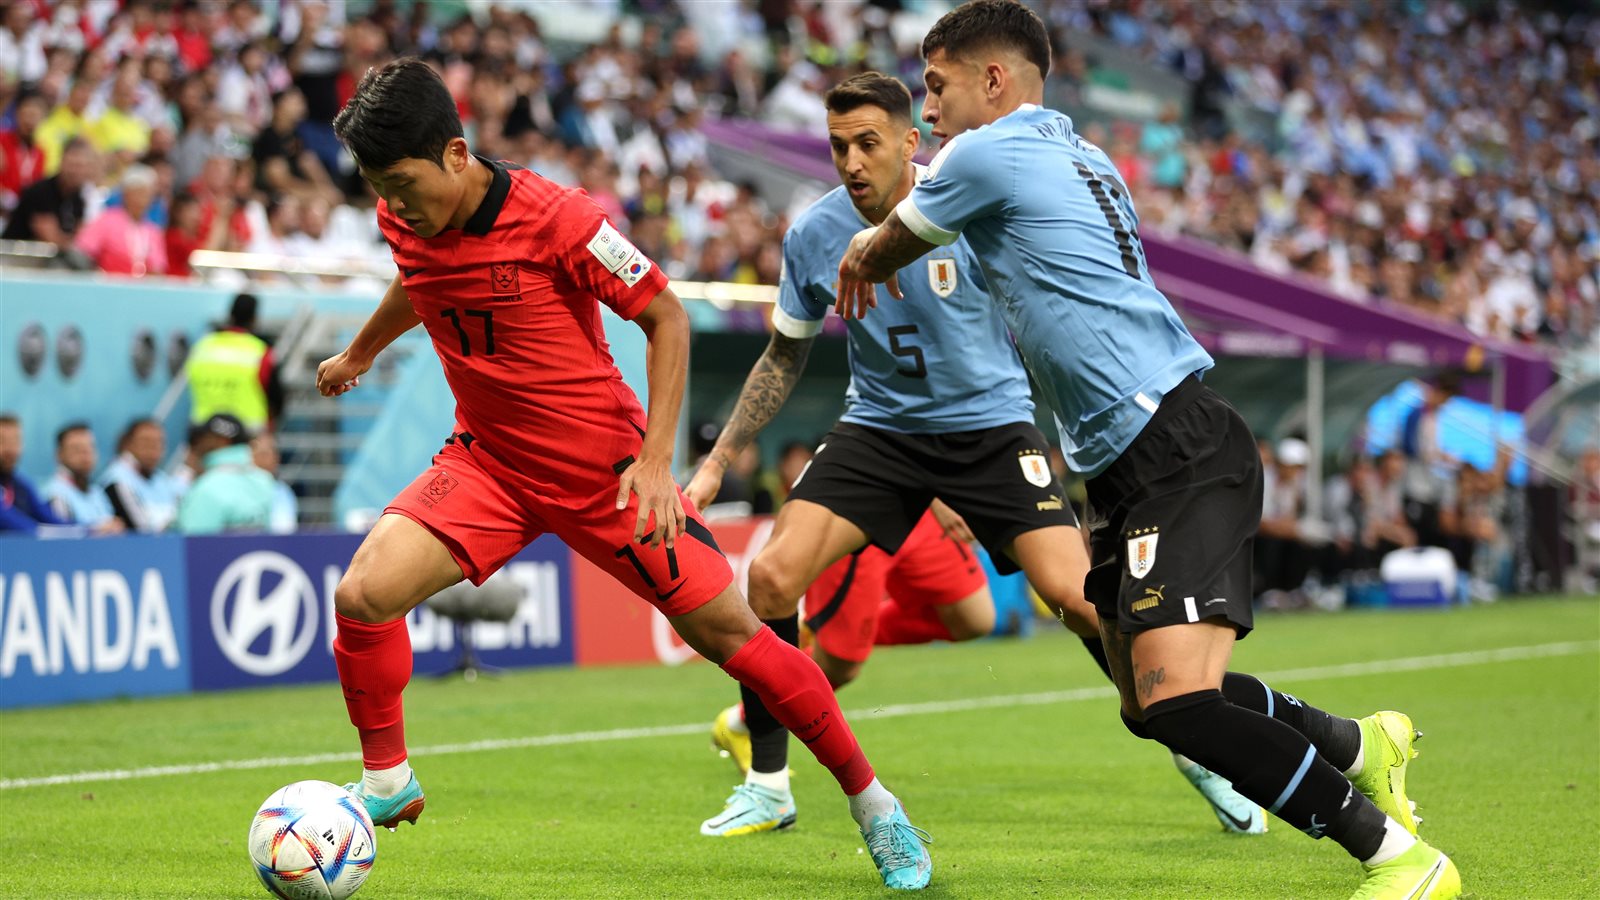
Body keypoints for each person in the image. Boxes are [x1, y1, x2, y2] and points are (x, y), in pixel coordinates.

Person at [834, 3, 1458, 898]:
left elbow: (890, 244)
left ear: (993, 80)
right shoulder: (1081, 154)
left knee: (1177, 702)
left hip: (1174, 445)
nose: (926, 110)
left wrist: (857, 253)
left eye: (936, 87)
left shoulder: (984, 154)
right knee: (1147, 701)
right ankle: (1360, 745)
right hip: (1129, 461)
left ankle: (1398, 857)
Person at [314, 59, 931, 891]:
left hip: (604, 475)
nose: (392, 204)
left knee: (737, 641)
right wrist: (360, 351)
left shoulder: (559, 218)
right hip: (489, 463)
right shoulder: (405, 217)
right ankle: (387, 780)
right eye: (379, 189)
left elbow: (667, 316)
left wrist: (655, 461)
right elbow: (417, 278)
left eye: (401, 184)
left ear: (456, 154)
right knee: (362, 595)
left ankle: (875, 806)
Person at [686, 70, 1262, 840]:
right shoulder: (813, 235)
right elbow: (783, 356)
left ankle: (1193, 748)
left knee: (1080, 601)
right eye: (838, 147)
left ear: (909, 143)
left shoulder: (970, 205)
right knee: (768, 577)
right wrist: (719, 459)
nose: (852, 162)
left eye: (867, 143)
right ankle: (767, 783)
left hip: (992, 432)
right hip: (880, 432)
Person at [185, 292, 280, 433]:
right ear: (254, 318)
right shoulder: (260, 351)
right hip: (246, 433)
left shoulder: (202, 346)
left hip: (204, 431)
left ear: (230, 315)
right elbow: (275, 396)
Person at [175, 414, 276, 534]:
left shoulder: (207, 487)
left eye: (202, 438)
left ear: (221, 441)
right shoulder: (264, 481)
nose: (196, 444)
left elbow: (194, 542)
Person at [0, 136, 95, 251]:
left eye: (81, 167)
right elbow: (50, 238)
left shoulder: (78, 198)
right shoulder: (41, 191)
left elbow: (81, 237)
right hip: (14, 255)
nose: (76, 172)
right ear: (61, 163)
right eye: (72, 165)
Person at [74, 163, 168, 277]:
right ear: (125, 195)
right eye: (137, 193)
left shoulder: (153, 230)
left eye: (146, 194)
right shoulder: (107, 220)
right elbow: (83, 251)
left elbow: (158, 267)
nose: (141, 200)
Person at [100, 417, 184, 533]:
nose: (153, 448)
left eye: (159, 442)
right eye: (146, 442)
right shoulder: (116, 480)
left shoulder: (163, 480)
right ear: (128, 444)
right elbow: (143, 532)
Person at [40, 421, 123, 533]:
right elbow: (62, 537)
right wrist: (94, 531)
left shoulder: (97, 492)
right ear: (59, 455)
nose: (85, 454)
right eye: (76, 449)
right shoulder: (56, 495)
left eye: (90, 447)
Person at [0, 413, 71, 534]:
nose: (10, 449)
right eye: (2, 441)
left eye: (15, 441)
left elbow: (49, 518)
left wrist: (89, 529)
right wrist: (39, 531)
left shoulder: (22, 485)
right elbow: (4, 517)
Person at [251, 431, 299, 534]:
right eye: (263, 454)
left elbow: (285, 530)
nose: (273, 458)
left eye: (274, 453)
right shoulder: (240, 489)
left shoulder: (283, 491)